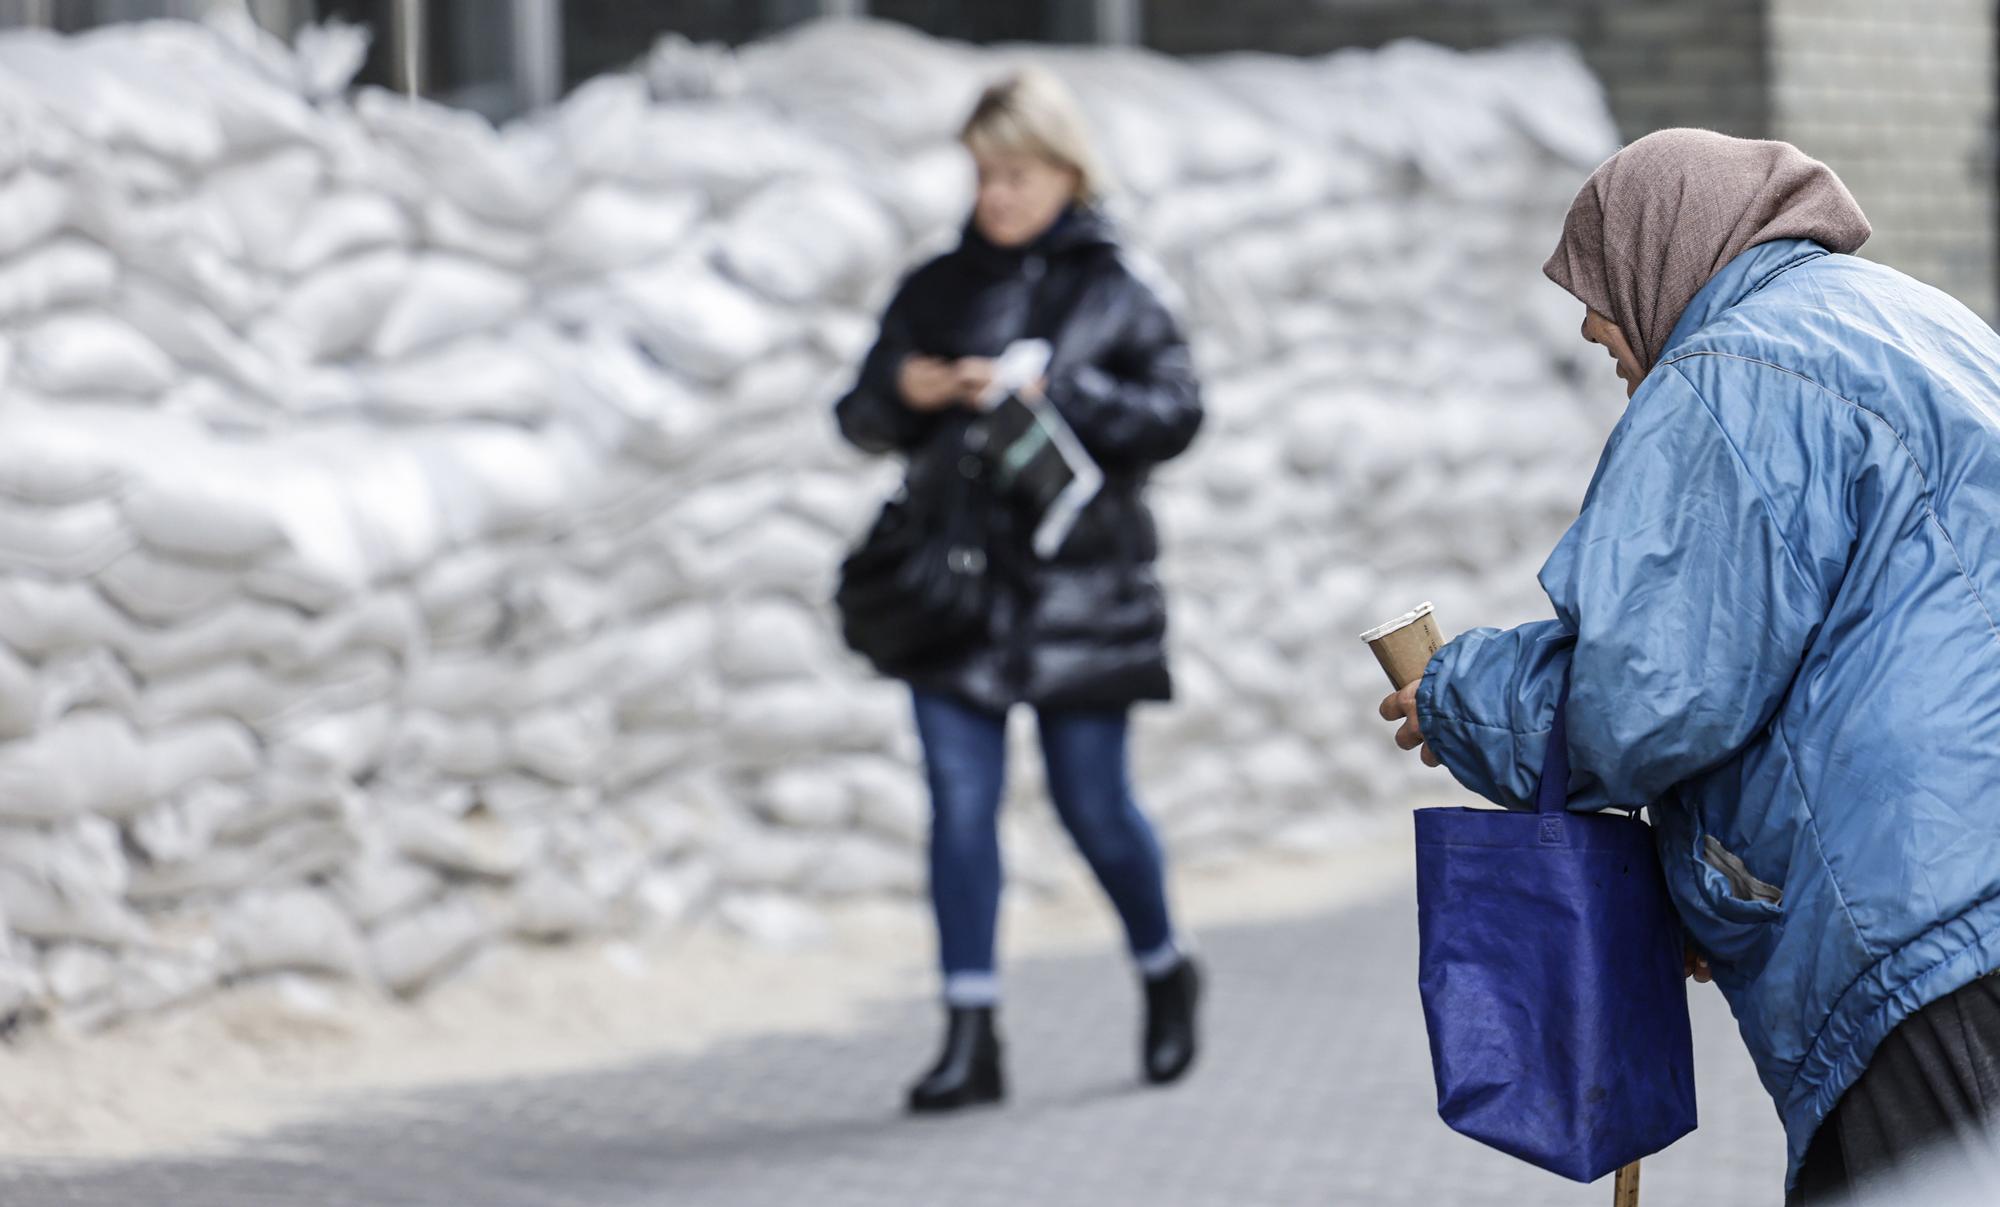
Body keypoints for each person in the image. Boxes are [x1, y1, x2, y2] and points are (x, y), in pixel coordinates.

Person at [1378, 128, 2000, 1204]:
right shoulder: (1910, 319)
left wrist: (1455, 693)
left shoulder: (1728, 371)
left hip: (1918, 925)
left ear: (1660, 250)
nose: (1588, 324)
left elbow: (1645, 700)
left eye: (1597, 283)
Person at [834, 68, 1205, 1114]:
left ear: (1064, 171)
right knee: (959, 807)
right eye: (983, 174)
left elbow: (1177, 412)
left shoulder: (1115, 292)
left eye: (1016, 173)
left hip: (1083, 590)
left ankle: (1164, 966)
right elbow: (856, 416)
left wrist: (1066, 391)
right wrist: (900, 391)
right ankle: (968, 1032)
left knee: (1094, 806)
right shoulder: (934, 289)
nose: (995, 194)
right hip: (951, 595)